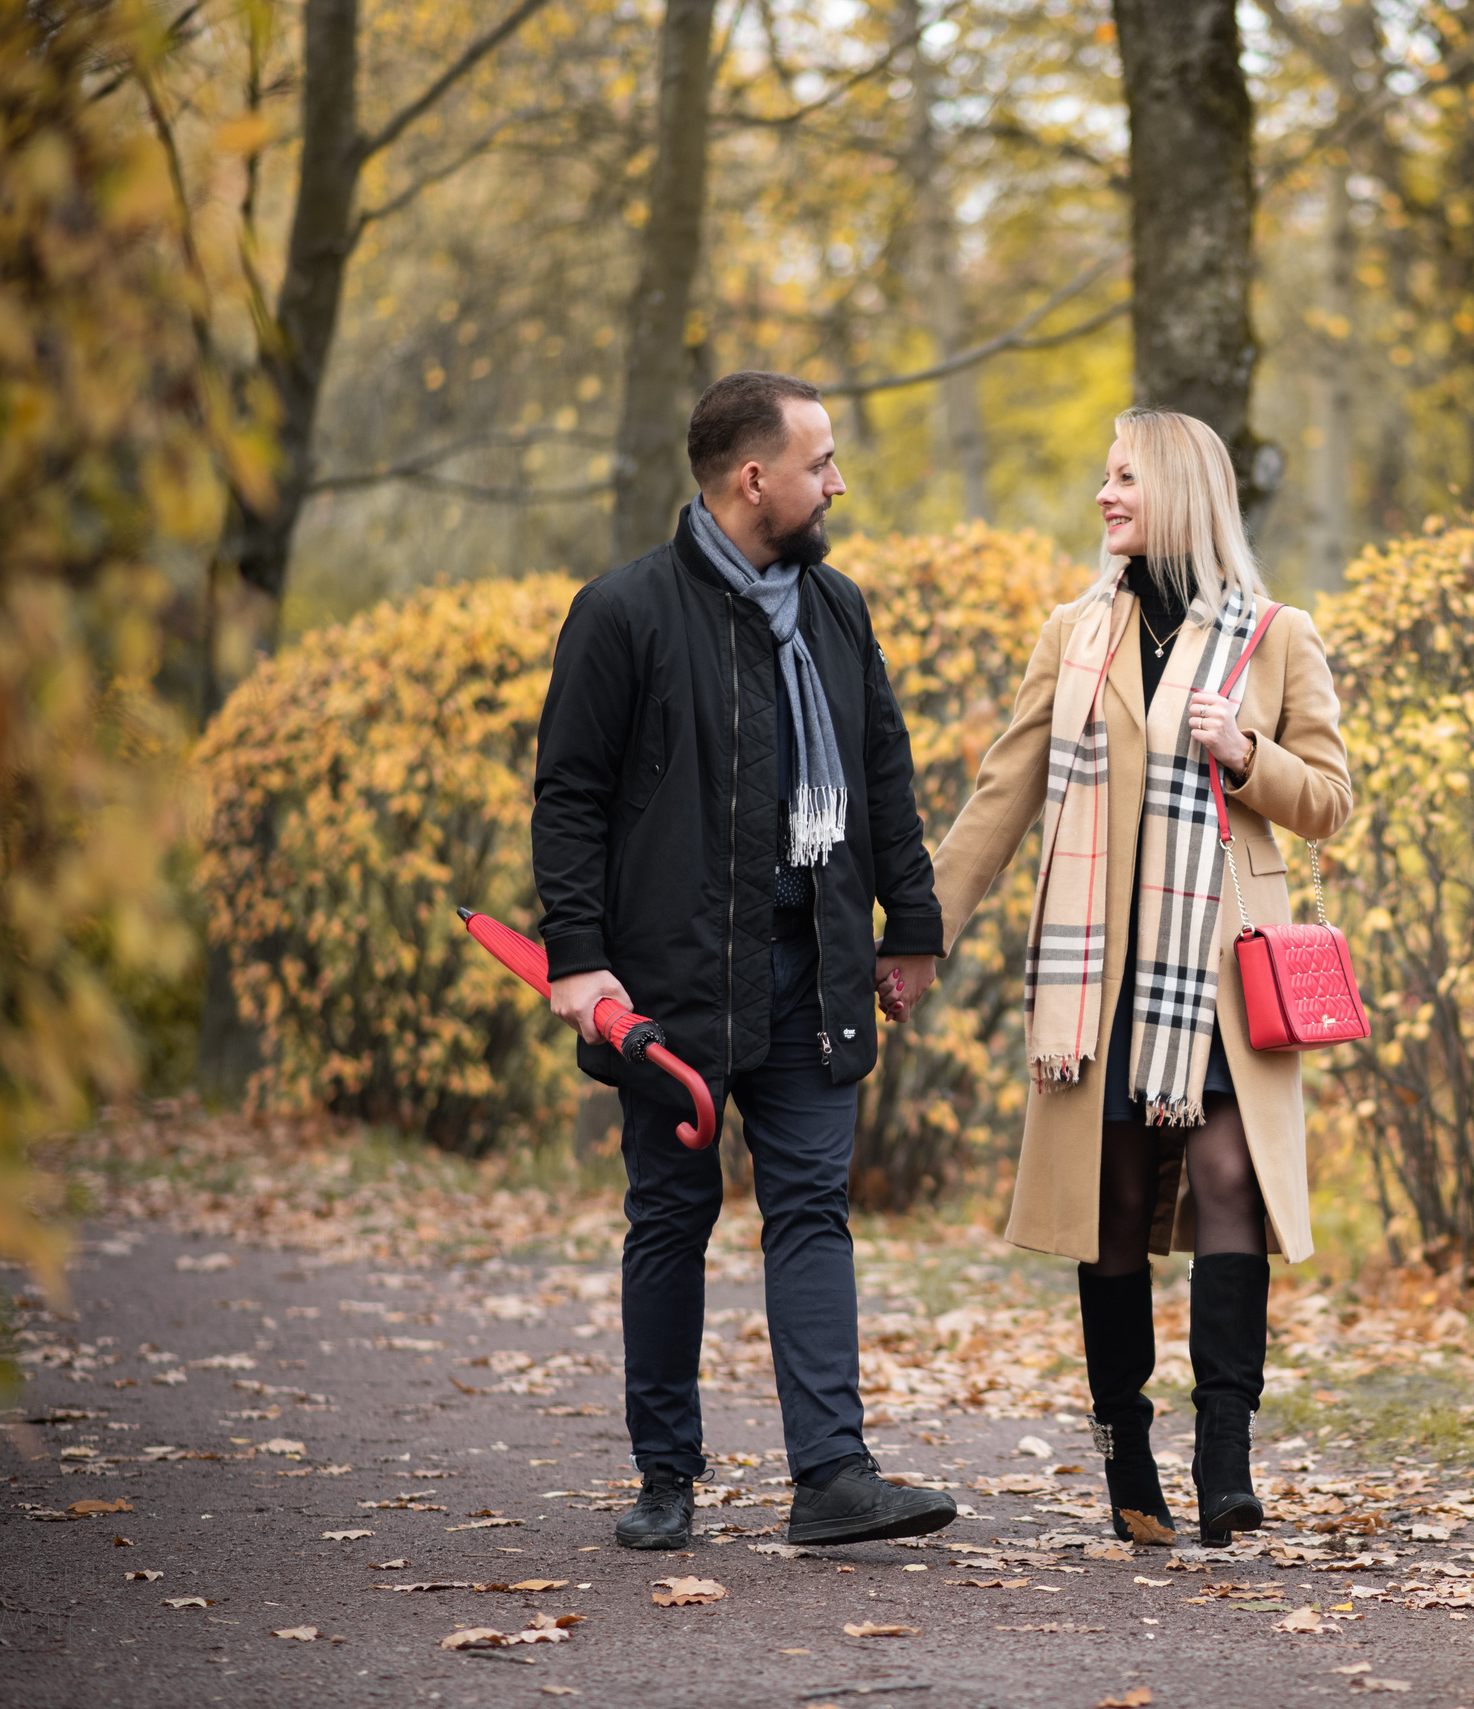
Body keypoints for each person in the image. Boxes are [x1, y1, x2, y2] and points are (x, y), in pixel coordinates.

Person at [531, 370, 955, 1552]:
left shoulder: (837, 608)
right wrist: (578, 957)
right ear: (752, 477)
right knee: (671, 1216)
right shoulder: (622, 613)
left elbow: (881, 774)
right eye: (820, 462)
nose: (837, 482)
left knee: (812, 1209)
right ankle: (666, 1474)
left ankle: (832, 1476)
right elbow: (569, 797)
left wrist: (908, 926)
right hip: (668, 982)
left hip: (811, 967)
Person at [918, 407, 1353, 1545]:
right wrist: (922, 927)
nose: (1104, 494)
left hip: (1218, 970)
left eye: (1123, 477)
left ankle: (1225, 1457)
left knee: (1225, 1176)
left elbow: (1332, 800)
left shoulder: (1276, 634)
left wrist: (1246, 755)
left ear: (1179, 492)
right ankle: (1125, 1454)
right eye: (1102, 474)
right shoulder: (1073, 633)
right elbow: (1003, 791)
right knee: (1109, 1209)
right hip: (1100, 980)